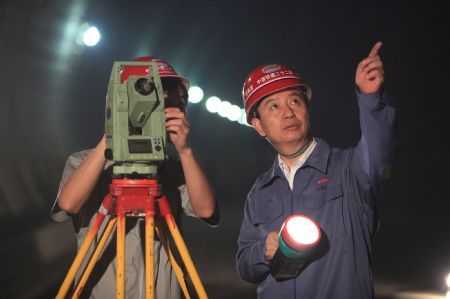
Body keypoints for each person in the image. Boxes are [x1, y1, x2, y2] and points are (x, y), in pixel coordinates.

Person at [236, 42, 396, 298]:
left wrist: (370, 99)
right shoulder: (260, 191)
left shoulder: (348, 170)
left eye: (295, 101)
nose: (288, 112)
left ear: (307, 108)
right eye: (273, 106)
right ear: (258, 125)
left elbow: (379, 154)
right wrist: (263, 252)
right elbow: (244, 264)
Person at [51, 56, 219, 298]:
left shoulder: (172, 168)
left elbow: (205, 210)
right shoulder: (87, 162)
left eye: (172, 102)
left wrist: (185, 151)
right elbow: (68, 203)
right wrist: (113, 134)